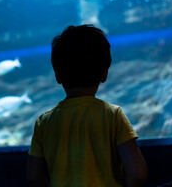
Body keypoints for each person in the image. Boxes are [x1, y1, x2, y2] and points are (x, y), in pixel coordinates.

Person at [26, 25, 148, 187]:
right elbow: (137, 175)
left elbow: (34, 177)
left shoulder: (44, 122)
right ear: (104, 73)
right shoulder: (113, 115)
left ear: (57, 75)